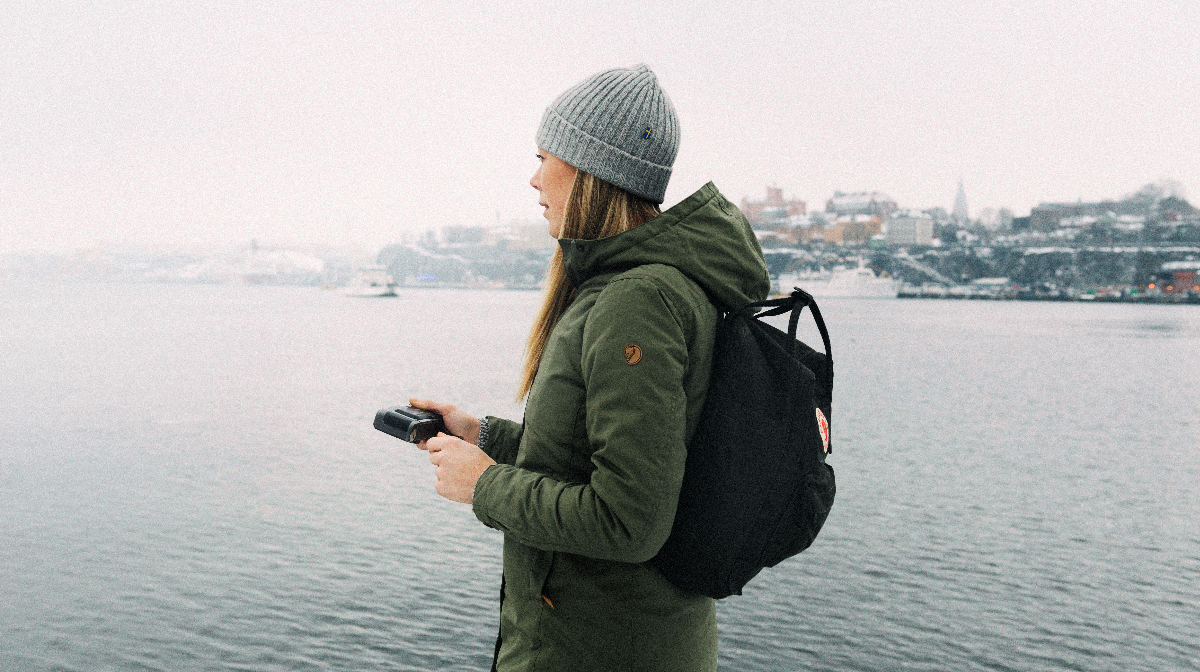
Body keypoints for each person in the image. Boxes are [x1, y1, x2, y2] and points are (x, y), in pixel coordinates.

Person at [411, 64, 770, 671]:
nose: (533, 179)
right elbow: (611, 456)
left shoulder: (639, 300)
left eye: (544, 156)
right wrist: (487, 438)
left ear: (587, 169)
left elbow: (629, 520)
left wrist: (484, 484)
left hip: (604, 648)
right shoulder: (641, 288)